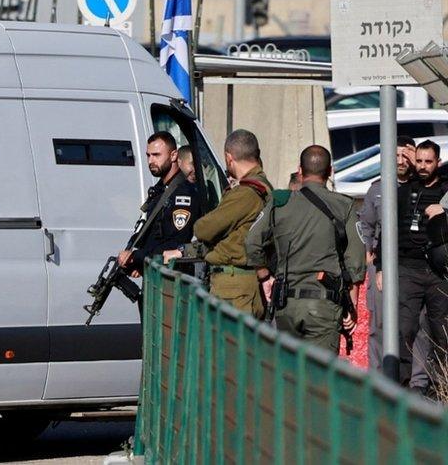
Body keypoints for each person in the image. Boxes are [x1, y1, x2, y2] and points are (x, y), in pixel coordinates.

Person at [246, 146, 365, 353]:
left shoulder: (279, 202)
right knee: (320, 378)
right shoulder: (344, 206)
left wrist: (265, 276)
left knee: (288, 374)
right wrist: (351, 305)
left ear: (300, 171)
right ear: (330, 172)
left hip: (286, 305)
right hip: (324, 306)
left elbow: (252, 242)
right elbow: (355, 260)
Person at [174, 129, 272, 316]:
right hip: (241, 284)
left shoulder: (245, 193)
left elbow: (204, 229)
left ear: (229, 158)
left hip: (234, 288)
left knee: (230, 343)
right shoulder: (260, 186)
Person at [376, 139, 448, 388]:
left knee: (442, 332)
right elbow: (387, 230)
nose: (423, 166)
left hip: (438, 271)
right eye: (419, 161)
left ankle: (440, 387)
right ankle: (401, 388)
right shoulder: (404, 190)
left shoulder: (445, 190)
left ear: (438, 162)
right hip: (408, 268)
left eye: (429, 161)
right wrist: (381, 267)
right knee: (403, 330)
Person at [358, 137, 430, 387]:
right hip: (381, 269)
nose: (400, 161)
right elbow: (364, 225)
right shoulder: (377, 189)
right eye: (395, 156)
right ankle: (379, 383)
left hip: (413, 268)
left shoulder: (421, 188)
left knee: (416, 327)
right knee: (380, 326)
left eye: (405, 156)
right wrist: (369, 254)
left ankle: (415, 384)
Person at [117, 132, 200, 276]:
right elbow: (154, 235)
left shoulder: (183, 194)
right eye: (148, 155)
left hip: (172, 277)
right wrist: (139, 262)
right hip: (156, 272)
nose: (151, 161)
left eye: (156, 155)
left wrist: (138, 256)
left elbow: (176, 243)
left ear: (173, 156)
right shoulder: (161, 189)